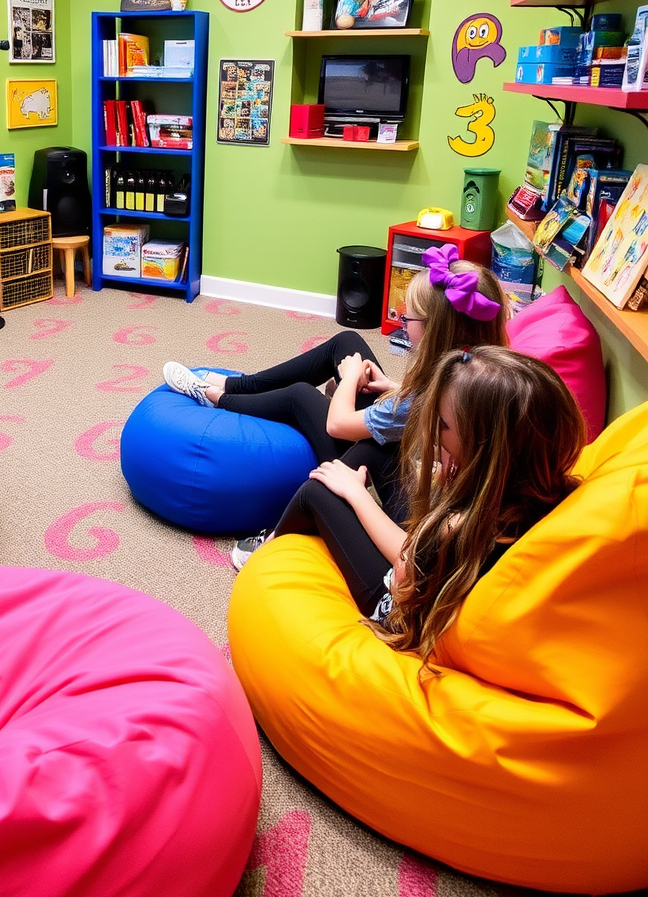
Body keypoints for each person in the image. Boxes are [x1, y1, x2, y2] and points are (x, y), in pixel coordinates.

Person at [162, 244, 507, 556]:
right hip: (428, 464)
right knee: (346, 341)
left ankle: (214, 396)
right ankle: (238, 385)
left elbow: (338, 425)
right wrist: (390, 385)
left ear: (435, 329)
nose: (403, 323)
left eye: (409, 318)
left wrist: (351, 378)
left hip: (415, 508)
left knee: (301, 396)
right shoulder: (481, 370)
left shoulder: (436, 392)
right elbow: (414, 401)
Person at [253, 347, 584, 666]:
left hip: (397, 609)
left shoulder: (459, 527)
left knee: (318, 492)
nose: (435, 433)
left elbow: (404, 566)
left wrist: (357, 495)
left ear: (485, 446)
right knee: (377, 450)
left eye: (443, 425)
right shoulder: (529, 490)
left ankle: (267, 550)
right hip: (430, 561)